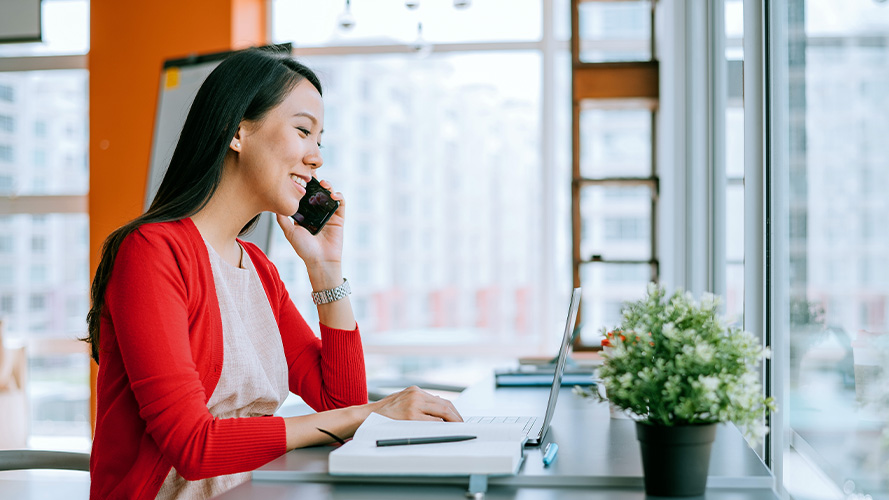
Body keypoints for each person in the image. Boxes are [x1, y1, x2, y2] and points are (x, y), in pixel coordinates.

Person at [83, 46, 462, 500]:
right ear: (238, 131)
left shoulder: (257, 268)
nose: (316, 157)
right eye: (303, 131)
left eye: (320, 140)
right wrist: (372, 414)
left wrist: (325, 269)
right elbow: (192, 447)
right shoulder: (151, 253)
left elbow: (341, 401)